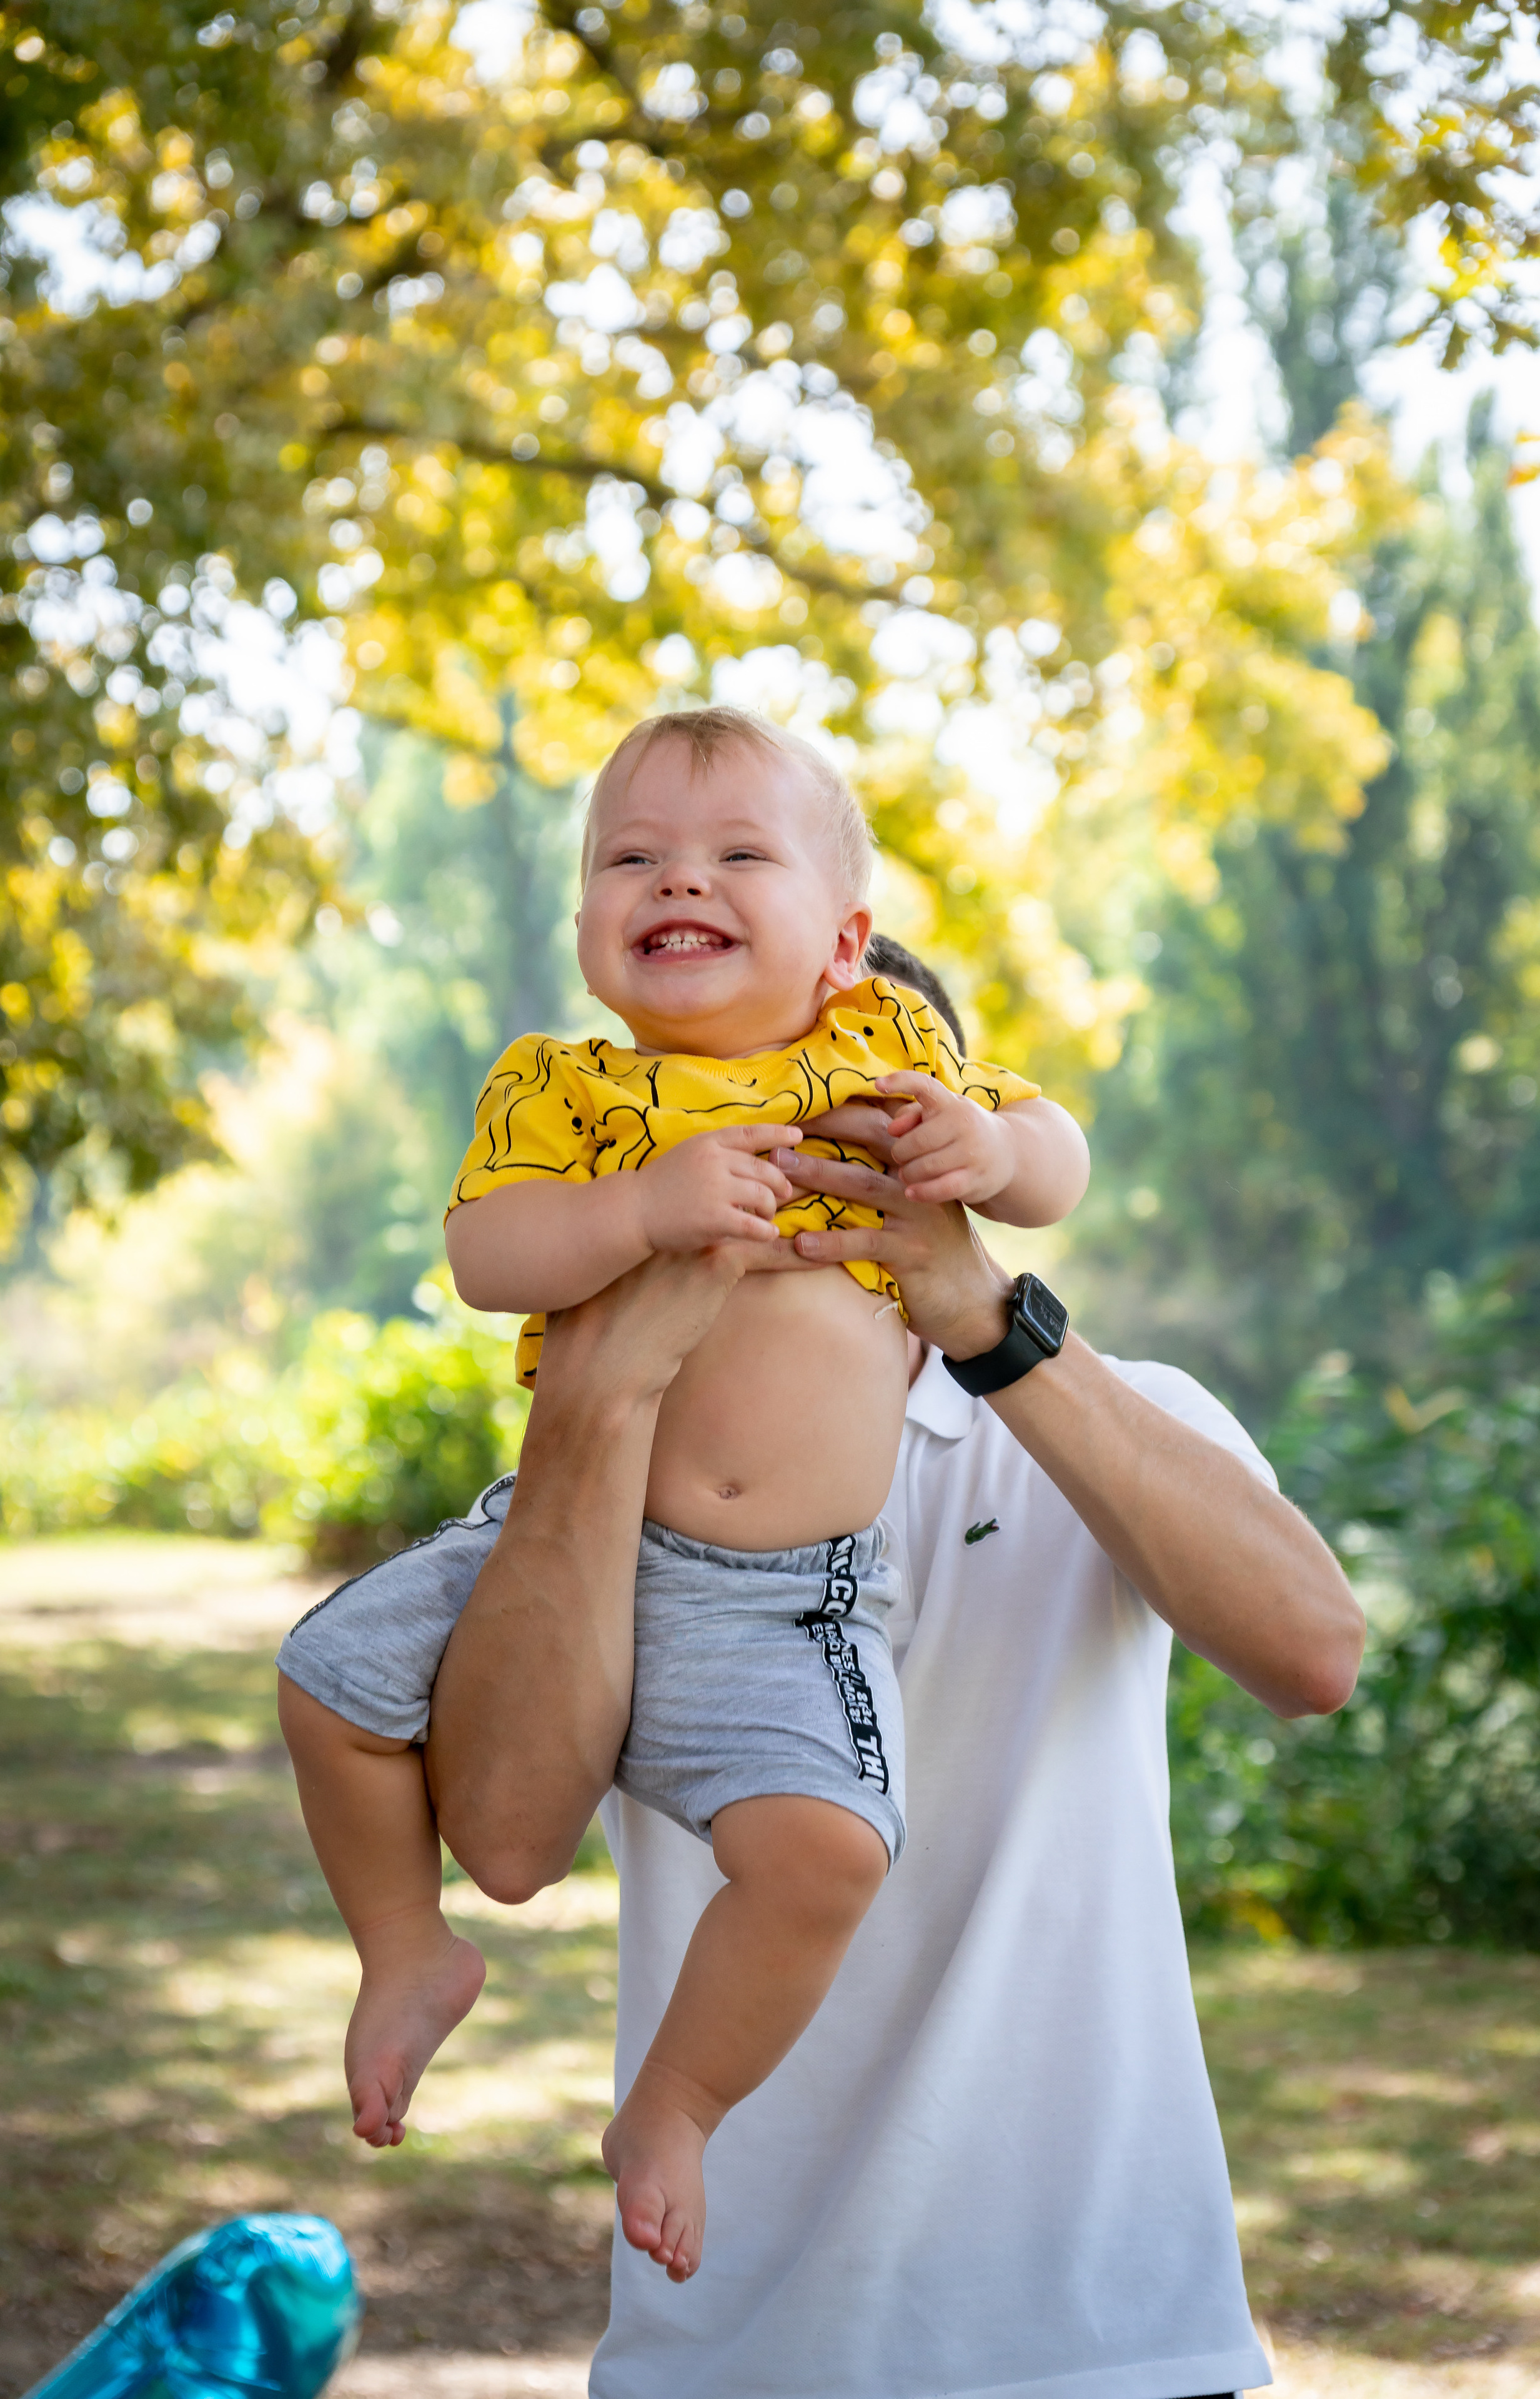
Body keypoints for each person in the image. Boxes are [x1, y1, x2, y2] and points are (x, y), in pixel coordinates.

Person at [407, 937, 1365, 2399]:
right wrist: (593, 1405)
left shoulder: (1112, 1411)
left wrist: (984, 1319)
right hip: (727, 2345)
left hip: (1105, 2331)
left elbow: (1312, 1654)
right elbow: (504, 1840)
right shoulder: (627, 1468)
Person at [277, 712, 1091, 2281]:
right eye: (632, 858)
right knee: (327, 1685)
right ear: (586, 928)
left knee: (827, 1852)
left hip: (777, 1597)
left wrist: (988, 1148)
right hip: (556, 1526)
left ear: (846, 940)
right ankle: (403, 1953)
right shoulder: (566, 1094)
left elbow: (1055, 1158)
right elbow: (483, 1258)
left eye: (734, 856)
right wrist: (639, 1205)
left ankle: (673, 2106)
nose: (679, 880)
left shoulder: (886, 1058)